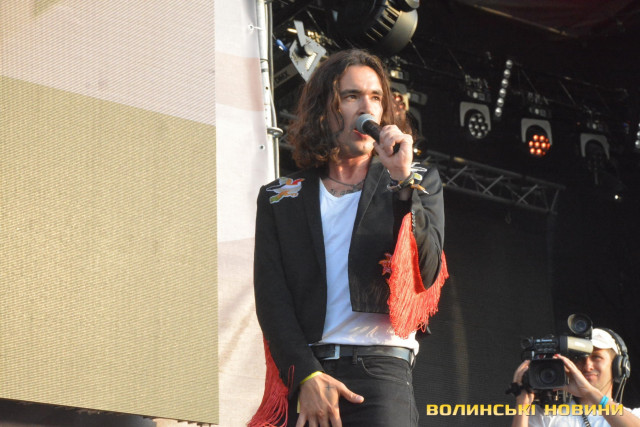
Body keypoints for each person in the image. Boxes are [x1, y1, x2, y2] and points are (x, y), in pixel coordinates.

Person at [250, 49, 447, 427]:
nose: (366, 107)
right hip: (311, 376)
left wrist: (402, 182)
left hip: (381, 376)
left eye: (376, 97)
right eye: (352, 96)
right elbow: (272, 299)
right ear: (325, 109)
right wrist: (305, 373)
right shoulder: (281, 196)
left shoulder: (417, 180)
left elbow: (425, 271)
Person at [510, 327, 640, 427]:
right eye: (580, 358)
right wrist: (523, 404)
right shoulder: (546, 415)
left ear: (618, 367)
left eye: (596, 357)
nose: (587, 366)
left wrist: (589, 392)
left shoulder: (634, 415)